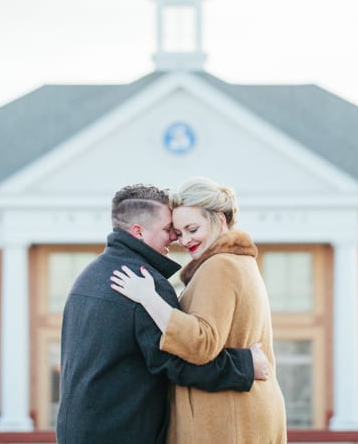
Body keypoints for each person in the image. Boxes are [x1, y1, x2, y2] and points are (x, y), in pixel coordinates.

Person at [57, 184, 269, 444]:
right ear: (138, 232)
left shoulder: (89, 277)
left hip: (76, 431)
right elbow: (177, 363)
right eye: (170, 230)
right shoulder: (144, 281)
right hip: (124, 433)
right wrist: (246, 365)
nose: (175, 238)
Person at [111, 177, 288, 444]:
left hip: (226, 422)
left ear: (220, 220)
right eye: (179, 233)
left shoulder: (220, 266)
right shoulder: (238, 262)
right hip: (242, 413)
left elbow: (202, 343)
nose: (185, 240)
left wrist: (149, 298)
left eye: (192, 229)